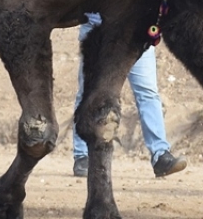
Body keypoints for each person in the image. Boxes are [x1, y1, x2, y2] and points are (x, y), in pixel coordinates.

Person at [70, 14, 187, 179]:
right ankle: (82, 156)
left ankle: (160, 155)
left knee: (148, 92)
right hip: (99, 30)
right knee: (89, 92)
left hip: (137, 32)